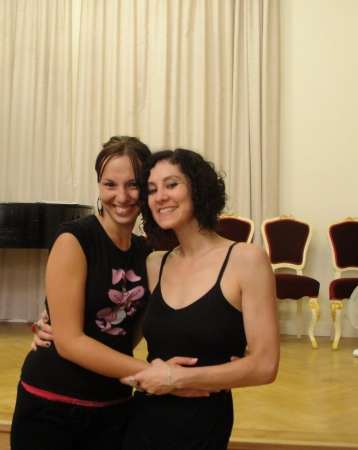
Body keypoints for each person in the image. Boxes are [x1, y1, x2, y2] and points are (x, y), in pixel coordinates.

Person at [10, 137, 206, 450]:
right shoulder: (75, 239)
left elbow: (132, 332)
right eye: (110, 184)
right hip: (51, 404)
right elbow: (70, 343)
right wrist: (159, 375)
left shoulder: (148, 254)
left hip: (114, 405)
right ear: (99, 186)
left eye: (133, 185)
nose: (122, 197)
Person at [119, 148, 280, 449]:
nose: (160, 197)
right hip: (143, 420)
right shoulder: (155, 263)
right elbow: (113, 331)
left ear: (198, 189)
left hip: (204, 427)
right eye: (151, 190)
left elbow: (265, 366)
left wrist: (175, 379)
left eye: (171, 184)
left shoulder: (247, 260)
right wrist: (51, 324)